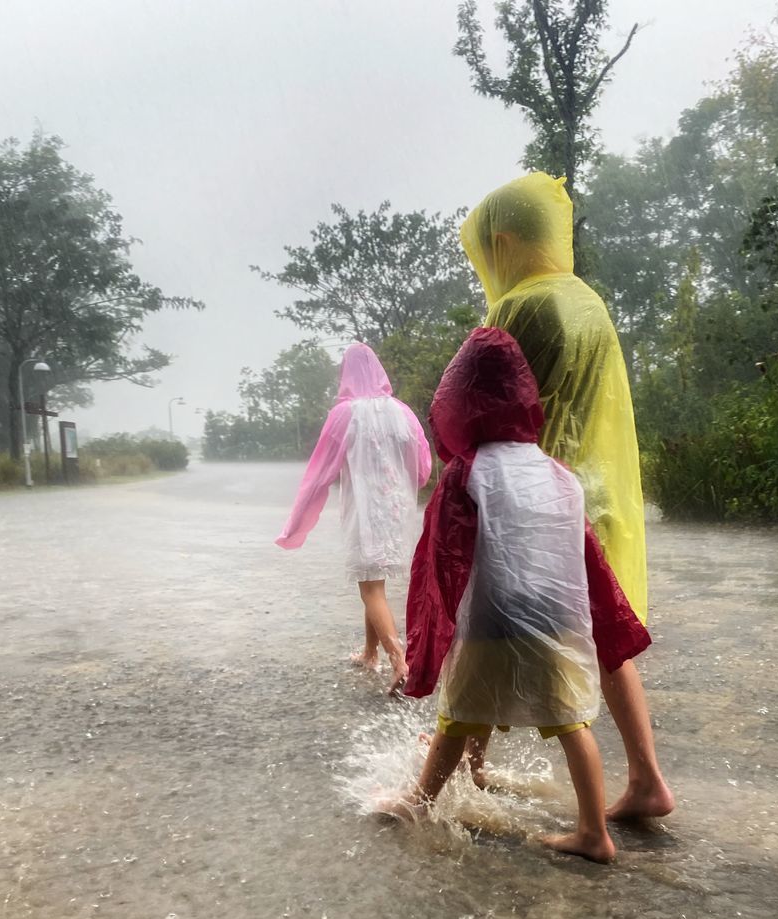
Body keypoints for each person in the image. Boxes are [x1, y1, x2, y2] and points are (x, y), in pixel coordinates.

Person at [381, 327, 651, 863]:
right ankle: (594, 832)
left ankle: (419, 800)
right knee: (572, 723)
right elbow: (590, 564)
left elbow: (440, 561)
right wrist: (603, 627)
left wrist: (428, 644)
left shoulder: (467, 471)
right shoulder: (559, 473)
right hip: (557, 618)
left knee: (457, 713)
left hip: (492, 618)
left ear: (457, 405)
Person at [458, 172, 674, 821]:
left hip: (536, 506)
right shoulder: (586, 300)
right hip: (593, 500)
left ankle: (466, 763)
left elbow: (477, 407)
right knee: (605, 639)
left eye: (488, 252)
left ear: (505, 240)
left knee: (485, 629)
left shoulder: (521, 306)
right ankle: (645, 778)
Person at [276, 343, 431, 691]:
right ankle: (369, 652)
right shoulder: (402, 412)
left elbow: (319, 473)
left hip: (365, 510)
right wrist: (406, 486)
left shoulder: (345, 414)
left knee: (370, 588)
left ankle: (399, 663)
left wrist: (295, 524)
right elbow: (423, 466)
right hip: (396, 508)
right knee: (374, 581)